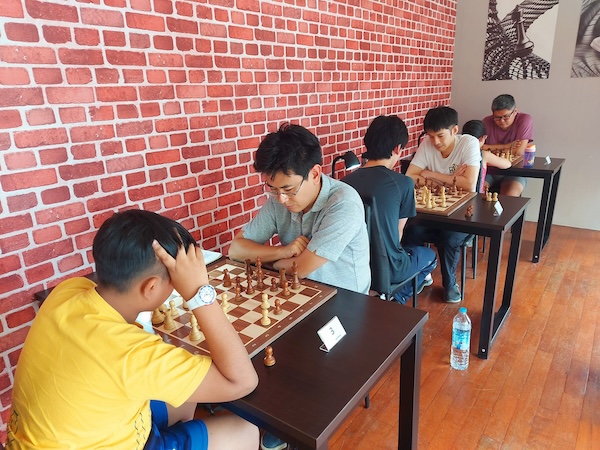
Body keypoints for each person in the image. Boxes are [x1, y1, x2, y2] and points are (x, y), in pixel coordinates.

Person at [7, 210, 259, 450]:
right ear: (150, 288)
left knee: (185, 395)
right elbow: (242, 382)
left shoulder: (67, 291)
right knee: (245, 429)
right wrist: (198, 292)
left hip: (46, 440)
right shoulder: (131, 354)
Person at [229, 123, 371, 296]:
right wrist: (283, 251)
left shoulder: (344, 203)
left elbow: (302, 268)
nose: (281, 199)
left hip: (346, 300)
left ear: (315, 174)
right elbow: (235, 250)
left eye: (289, 190)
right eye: (273, 189)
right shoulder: (278, 200)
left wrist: (265, 263)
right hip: (296, 291)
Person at [342, 115, 437, 304]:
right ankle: (397, 297)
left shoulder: (344, 184)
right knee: (430, 256)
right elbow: (397, 234)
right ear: (397, 148)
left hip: (353, 267)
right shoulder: (403, 183)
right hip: (389, 269)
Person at [403, 106, 481, 303]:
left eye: (440, 136)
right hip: (434, 211)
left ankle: (450, 283)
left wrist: (430, 175)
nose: (435, 142)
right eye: (430, 136)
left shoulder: (468, 143)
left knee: (449, 236)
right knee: (410, 230)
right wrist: (451, 179)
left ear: (454, 130)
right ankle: (421, 274)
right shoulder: (427, 144)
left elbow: (469, 184)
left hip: (464, 212)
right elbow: (409, 177)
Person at [482, 94, 534, 196]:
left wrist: (491, 149)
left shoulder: (524, 119)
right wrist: (506, 146)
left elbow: (518, 151)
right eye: (497, 117)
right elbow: (478, 148)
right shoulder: (486, 121)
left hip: (514, 172)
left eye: (506, 117)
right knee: (476, 194)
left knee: (509, 198)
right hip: (490, 171)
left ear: (515, 111)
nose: (501, 121)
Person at [462, 119, 512, 193]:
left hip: (458, 195)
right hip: (476, 196)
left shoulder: (457, 152)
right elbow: (507, 164)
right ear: (483, 138)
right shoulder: (484, 155)